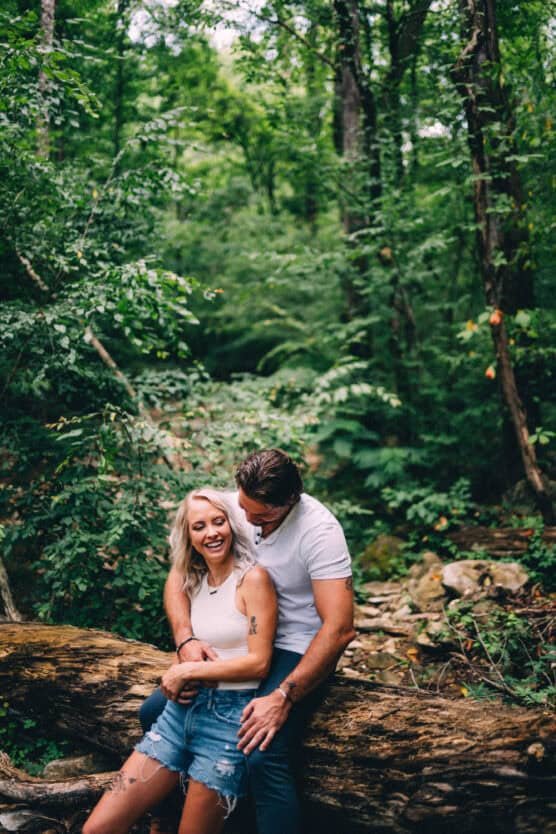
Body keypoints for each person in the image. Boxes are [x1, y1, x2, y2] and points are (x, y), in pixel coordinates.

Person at [141, 449, 356, 834]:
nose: (250, 521)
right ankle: (176, 813)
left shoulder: (320, 532)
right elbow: (179, 573)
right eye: (244, 508)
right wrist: (185, 639)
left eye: (262, 517)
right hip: (243, 639)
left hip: (295, 645)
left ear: (290, 501)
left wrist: (283, 696)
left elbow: (339, 628)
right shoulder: (233, 509)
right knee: (154, 711)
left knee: (262, 751)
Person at [83, 488, 277, 834]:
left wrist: (187, 669)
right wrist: (184, 645)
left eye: (218, 522)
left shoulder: (252, 579)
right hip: (178, 716)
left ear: (232, 525)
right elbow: (174, 580)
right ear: (189, 536)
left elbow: (259, 663)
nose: (211, 533)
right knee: (97, 828)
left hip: (228, 722)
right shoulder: (193, 578)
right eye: (199, 527)